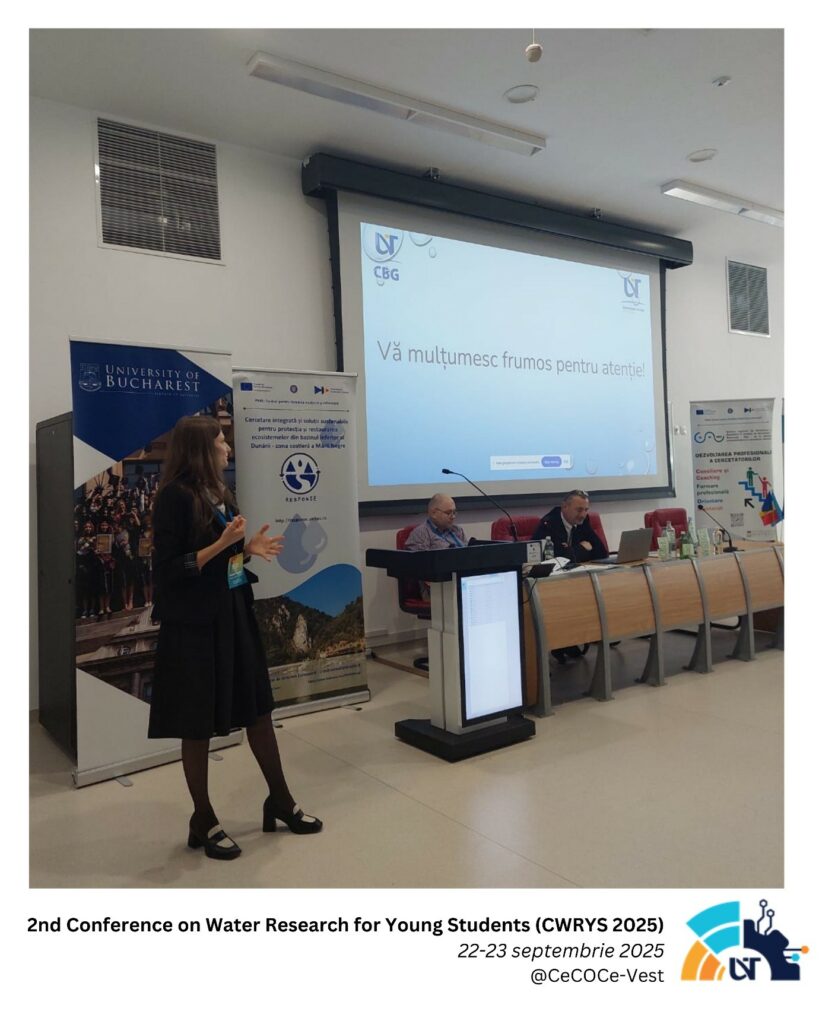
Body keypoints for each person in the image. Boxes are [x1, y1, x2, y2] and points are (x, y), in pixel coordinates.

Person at [148, 415, 322, 861]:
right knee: (197, 722)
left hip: (232, 615)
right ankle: (203, 818)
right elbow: (169, 570)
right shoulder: (174, 497)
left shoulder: (219, 492)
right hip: (195, 627)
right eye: (222, 441)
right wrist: (223, 543)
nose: (228, 448)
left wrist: (246, 551)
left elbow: (224, 559)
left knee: (259, 709)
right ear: (201, 450)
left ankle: (280, 800)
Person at [531, 489, 607, 563]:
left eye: (586, 510)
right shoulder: (549, 524)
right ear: (564, 506)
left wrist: (570, 551)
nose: (583, 515)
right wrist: (581, 548)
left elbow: (602, 553)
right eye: (579, 510)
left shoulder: (583, 520)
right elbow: (555, 560)